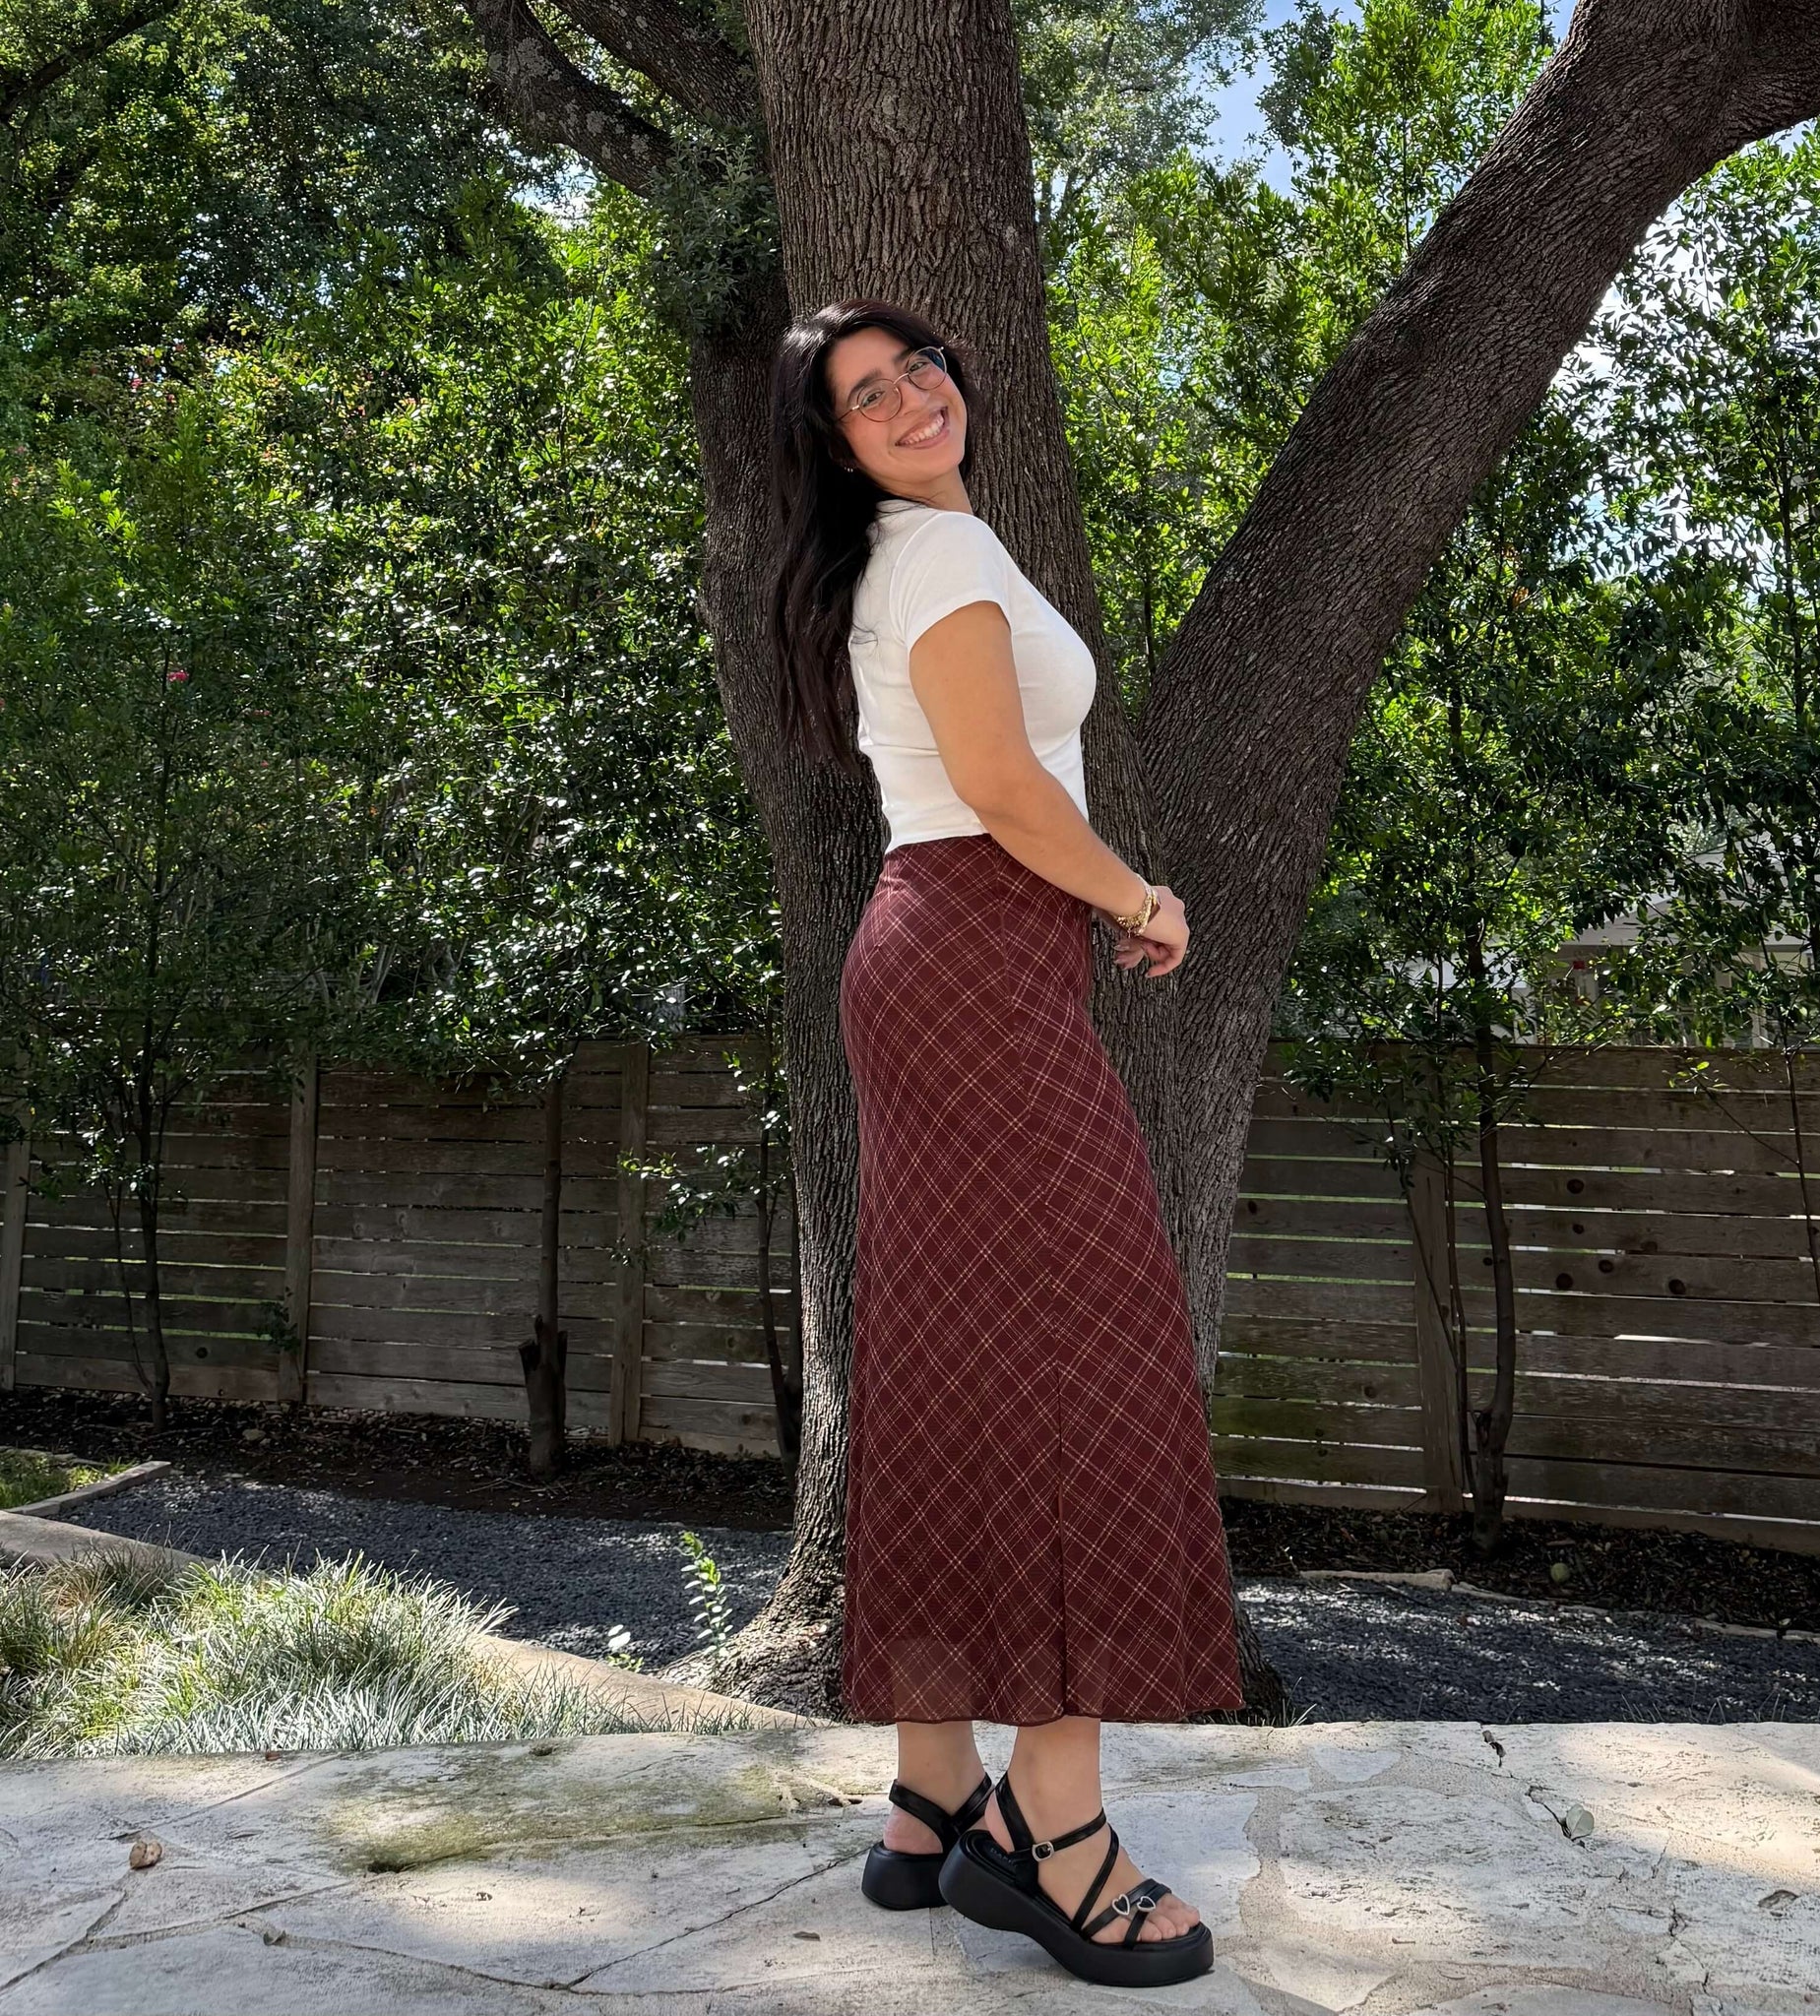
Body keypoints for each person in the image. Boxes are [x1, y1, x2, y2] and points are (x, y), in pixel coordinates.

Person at [767, 297, 1243, 1990]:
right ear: (835, 445)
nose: (910, 399)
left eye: (919, 369)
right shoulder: (942, 559)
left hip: (948, 959)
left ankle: (931, 1795)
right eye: (865, 395)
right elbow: (1002, 783)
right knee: (1080, 1361)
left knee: (963, 1360)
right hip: (978, 953)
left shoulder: (915, 557)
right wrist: (1140, 897)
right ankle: (1055, 1830)